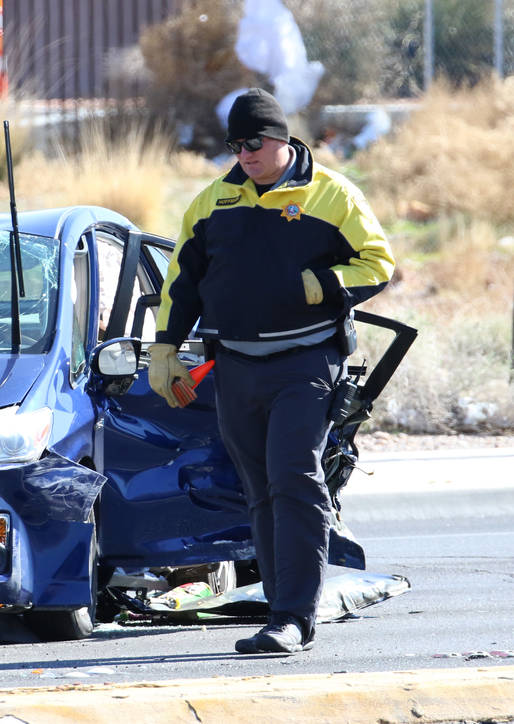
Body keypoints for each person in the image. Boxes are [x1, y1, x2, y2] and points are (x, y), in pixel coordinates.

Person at [148, 88, 395, 654]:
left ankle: (294, 618)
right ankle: (278, 615)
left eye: (254, 142)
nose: (245, 154)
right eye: (235, 145)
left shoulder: (331, 193)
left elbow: (378, 262)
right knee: (259, 491)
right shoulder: (212, 202)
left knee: (295, 477)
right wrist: (165, 349)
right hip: (236, 364)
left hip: (306, 361)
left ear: (281, 139)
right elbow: (181, 284)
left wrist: (321, 284)